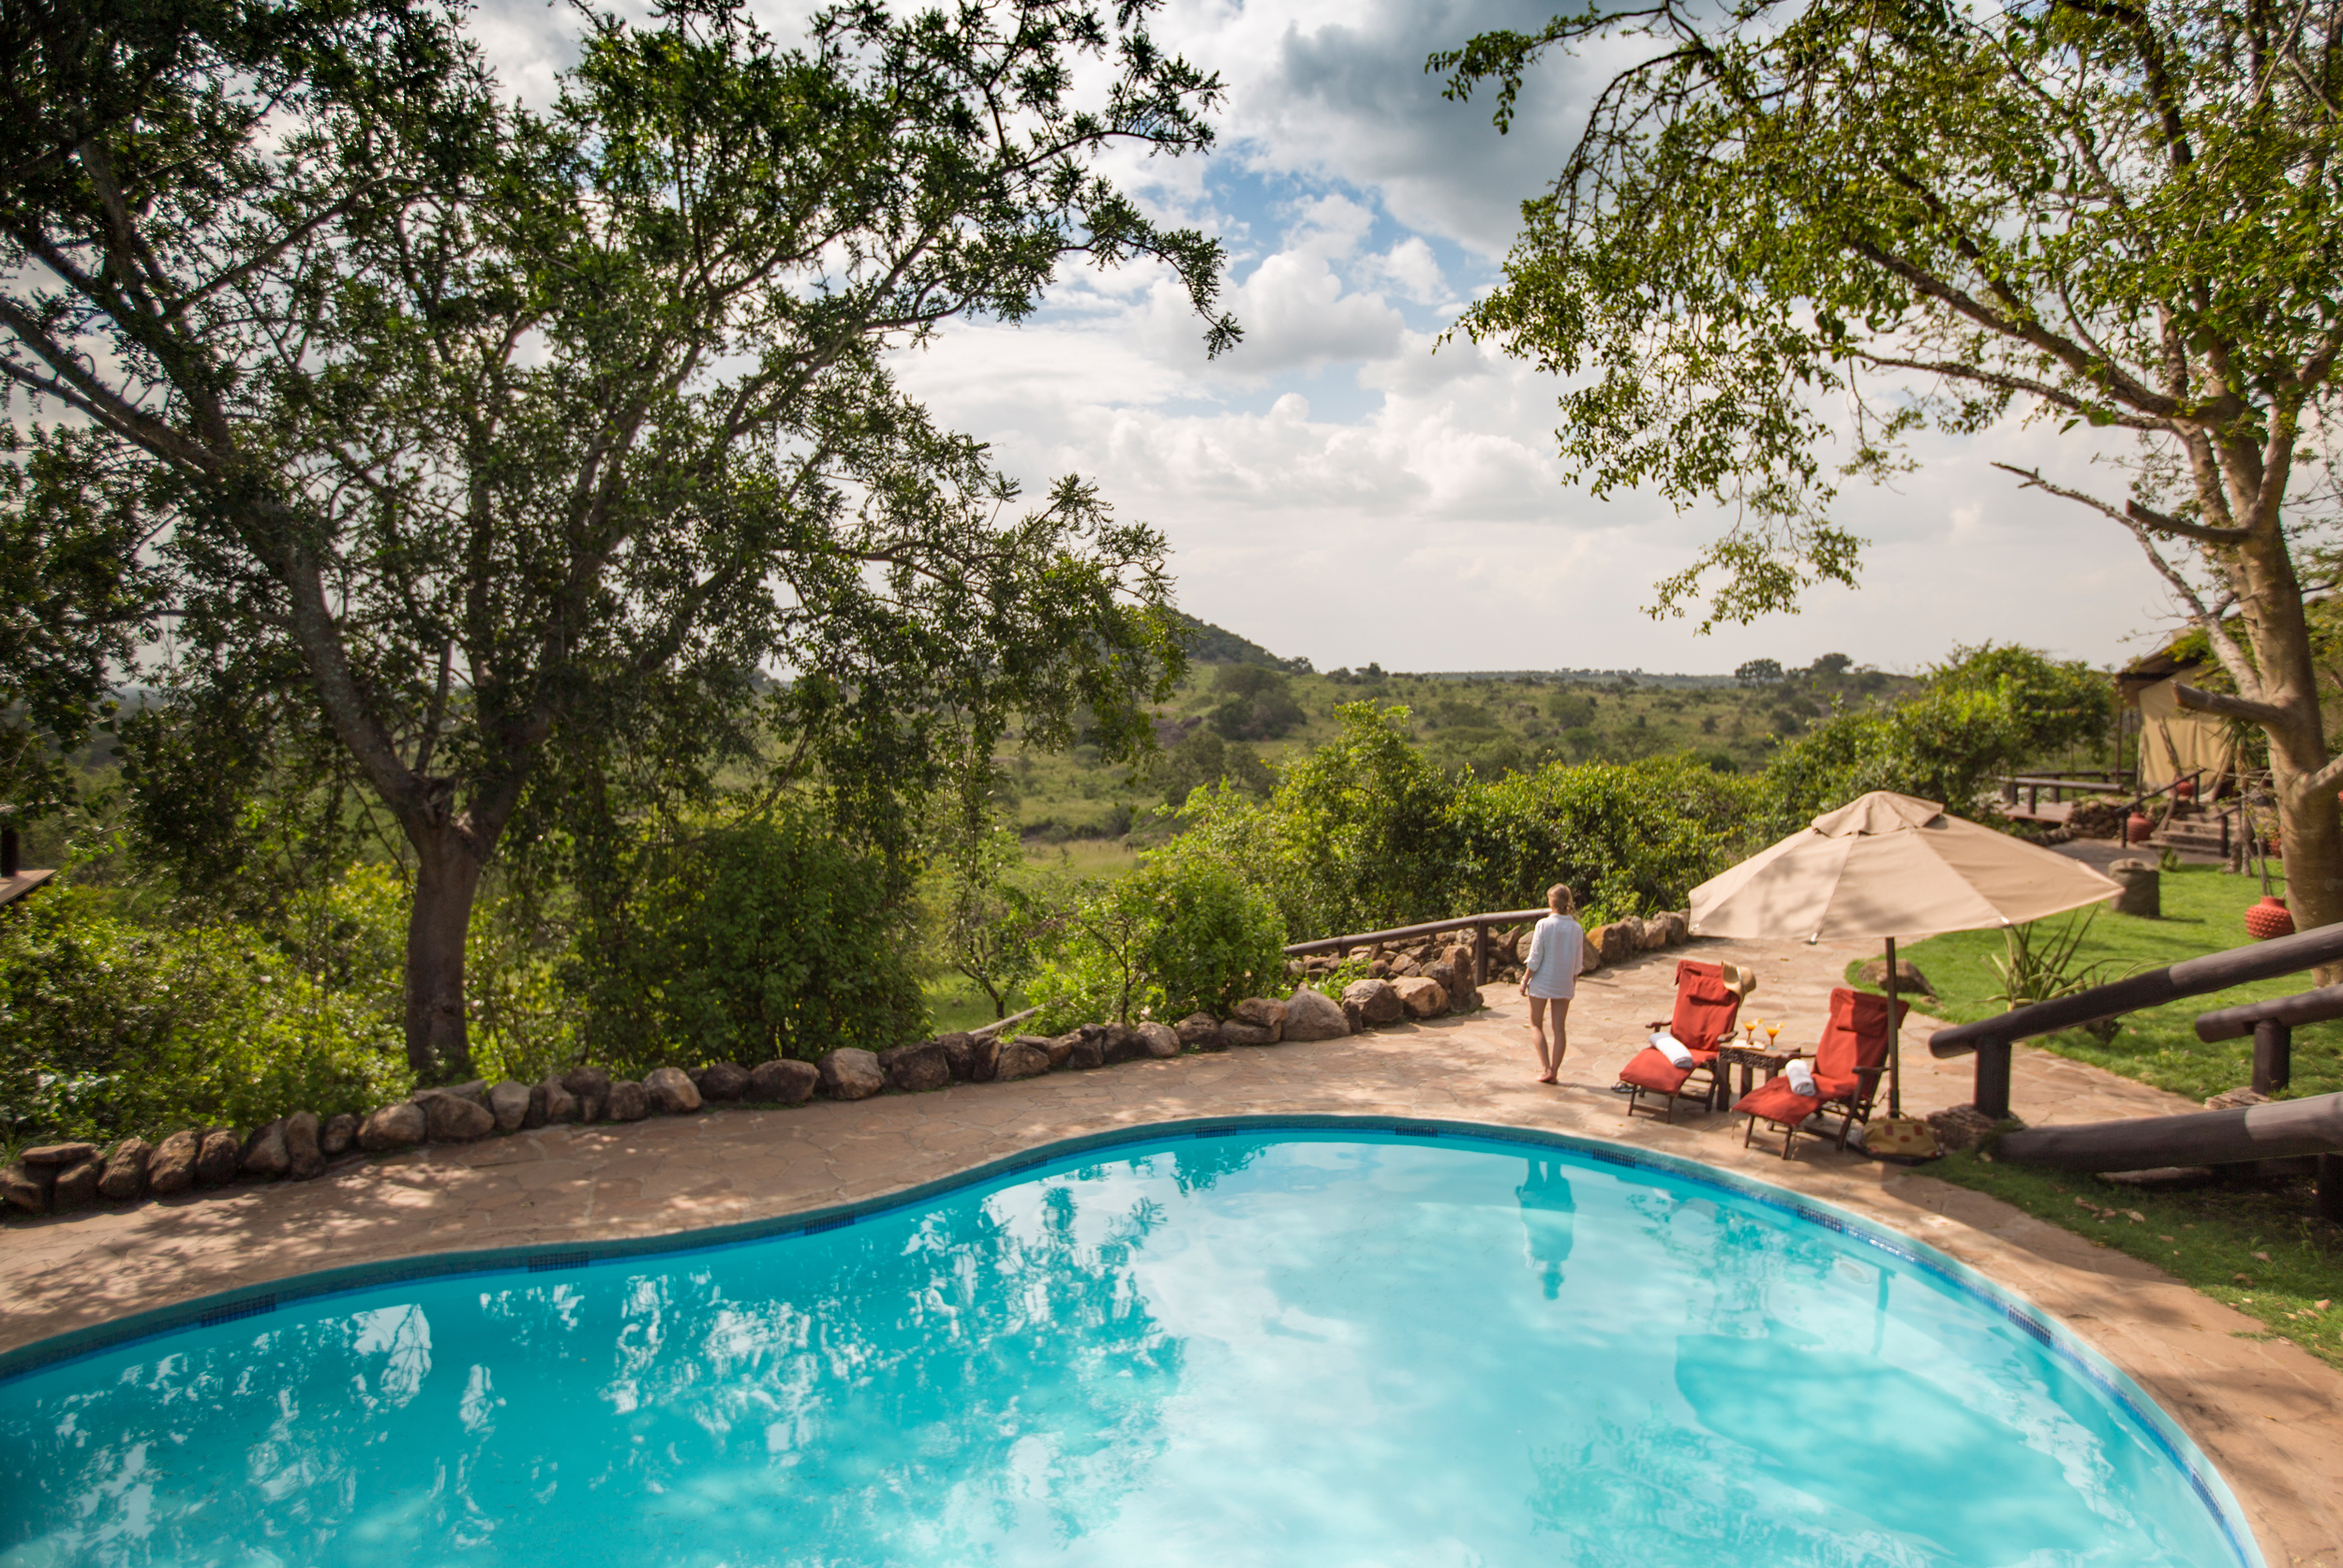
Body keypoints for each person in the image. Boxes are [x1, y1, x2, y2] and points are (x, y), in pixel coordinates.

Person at [1520, 883, 1584, 1083]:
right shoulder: (1576, 928)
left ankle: (1546, 1068)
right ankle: (1554, 1072)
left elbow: (1535, 958)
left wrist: (1525, 979)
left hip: (1542, 982)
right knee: (1560, 1029)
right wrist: (1571, 984)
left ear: (1552, 902)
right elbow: (1577, 963)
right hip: (1564, 983)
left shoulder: (1543, 925)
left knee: (1535, 1024)